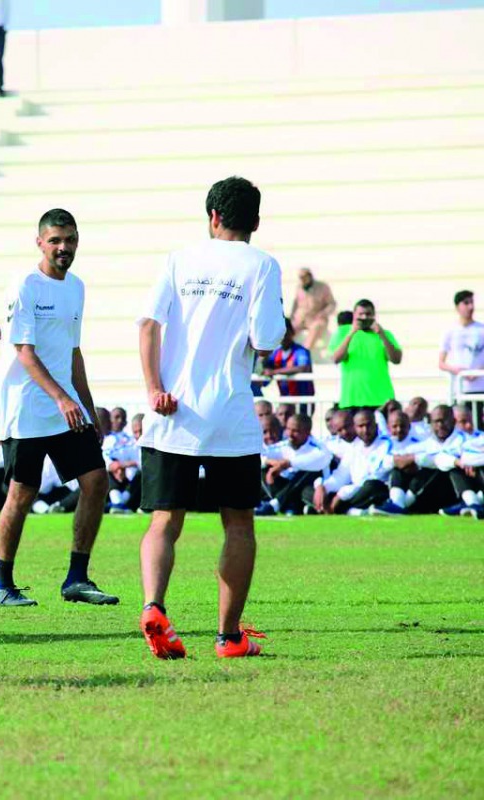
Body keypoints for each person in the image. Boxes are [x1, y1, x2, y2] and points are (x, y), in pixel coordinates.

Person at [137, 176, 284, 660]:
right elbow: (266, 339)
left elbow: (148, 324)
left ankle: (154, 607)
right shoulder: (262, 264)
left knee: (164, 521)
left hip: (171, 409)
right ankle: (228, 636)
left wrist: (154, 388)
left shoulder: (179, 258)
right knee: (238, 524)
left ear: (213, 216)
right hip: (228, 413)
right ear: (255, 221)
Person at [0, 208, 118, 608]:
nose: (64, 247)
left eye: (70, 240)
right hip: (28, 409)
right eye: (55, 240)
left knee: (96, 482)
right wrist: (62, 398)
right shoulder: (25, 285)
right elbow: (24, 352)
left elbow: (74, 353)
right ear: (40, 243)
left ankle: (76, 578)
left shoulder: (76, 287)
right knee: (22, 494)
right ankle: (2, 584)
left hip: (68, 412)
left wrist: (87, 407)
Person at [310, 409, 394, 515]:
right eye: (361, 426)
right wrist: (323, 487)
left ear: (376, 426)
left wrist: (342, 495)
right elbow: (340, 476)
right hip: (354, 493)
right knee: (314, 491)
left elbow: (376, 476)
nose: (365, 430)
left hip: (376, 490)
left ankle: (340, 509)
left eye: (368, 425)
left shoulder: (387, 444)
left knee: (371, 485)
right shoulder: (354, 447)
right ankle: (337, 508)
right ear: (355, 428)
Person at [333, 299, 402, 414]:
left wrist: (382, 335)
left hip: (381, 400)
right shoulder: (343, 332)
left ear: (374, 315)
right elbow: (336, 358)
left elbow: (396, 359)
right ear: (354, 315)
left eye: (368, 314)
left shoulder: (385, 334)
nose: (364, 317)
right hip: (352, 400)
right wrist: (351, 333)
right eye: (361, 314)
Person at [257, 413, 331, 516]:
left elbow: (322, 460)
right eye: (288, 429)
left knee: (306, 471)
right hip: (284, 487)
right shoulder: (283, 445)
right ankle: (289, 506)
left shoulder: (317, 447)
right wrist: (269, 462)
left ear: (307, 432)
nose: (290, 434)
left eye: (295, 431)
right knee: (262, 470)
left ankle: (276, 505)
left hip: (309, 486)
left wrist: (288, 463)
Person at [439, 290, 484, 427]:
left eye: (472, 302)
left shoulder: (481, 329)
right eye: (466, 303)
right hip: (459, 389)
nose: (470, 307)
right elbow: (441, 362)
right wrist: (457, 370)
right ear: (457, 306)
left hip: (480, 387)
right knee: (462, 425)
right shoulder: (450, 331)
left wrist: (477, 371)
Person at [262, 320, 315, 413]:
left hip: (303, 402)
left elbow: (303, 367)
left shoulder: (301, 351)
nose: (282, 337)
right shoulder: (275, 353)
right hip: (285, 402)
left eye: (285, 333)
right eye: (279, 334)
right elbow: (266, 370)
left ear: (292, 333)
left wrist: (275, 372)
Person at [290, 267, 336, 355]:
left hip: (317, 318)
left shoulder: (323, 287)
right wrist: (292, 316)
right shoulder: (299, 287)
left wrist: (324, 313)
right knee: (288, 329)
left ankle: (304, 352)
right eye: (300, 277)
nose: (302, 279)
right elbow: (295, 304)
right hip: (301, 318)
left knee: (316, 328)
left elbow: (332, 304)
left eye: (304, 277)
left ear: (310, 276)